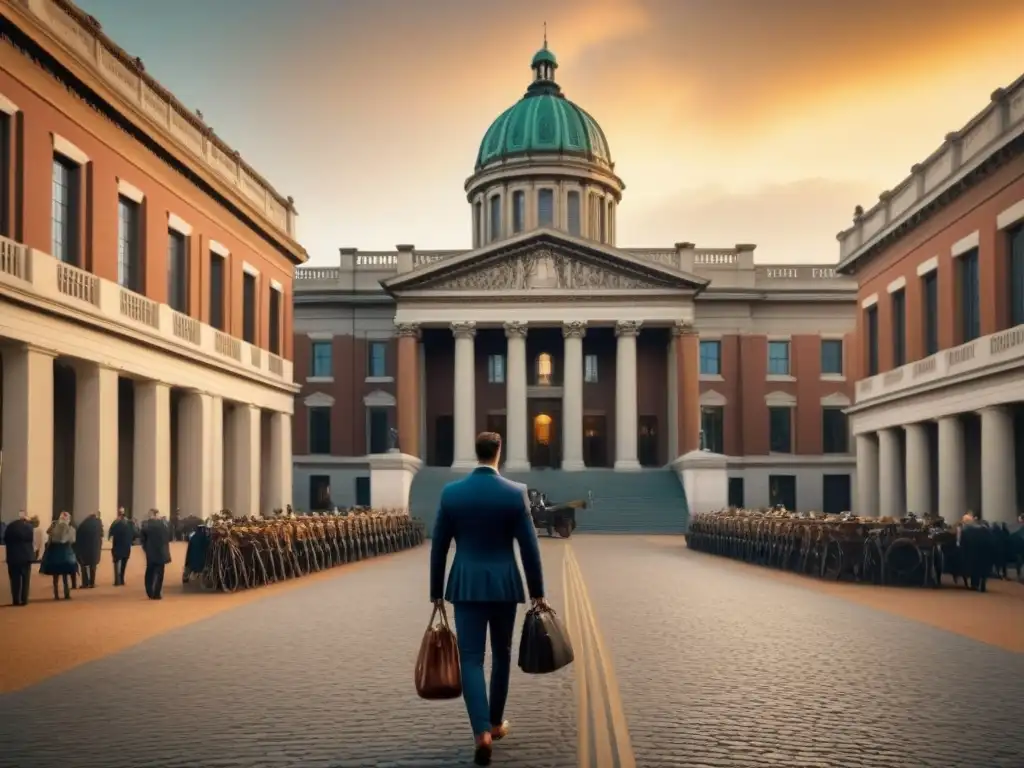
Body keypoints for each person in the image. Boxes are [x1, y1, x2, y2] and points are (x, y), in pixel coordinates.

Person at [429, 431, 545, 767]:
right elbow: (529, 548)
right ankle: (495, 723)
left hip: (465, 585)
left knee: (470, 658)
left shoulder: (452, 494)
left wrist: (436, 592)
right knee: (503, 654)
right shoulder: (515, 493)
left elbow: (438, 548)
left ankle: (480, 732)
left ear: (475, 452)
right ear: (499, 453)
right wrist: (538, 591)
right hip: (505, 585)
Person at [40, 512, 78, 600]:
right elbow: (72, 540)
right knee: (65, 575)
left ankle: (56, 594)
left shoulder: (54, 526)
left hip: (55, 552)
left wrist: (54, 524)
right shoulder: (70, 528)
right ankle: (66, 594)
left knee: (55, 575)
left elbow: (48, 532)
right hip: (65, 552)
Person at [4, 510, 36, 606]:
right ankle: (24, 599)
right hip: (26, 556)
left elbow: (5, 539)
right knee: (26, 579)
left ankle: (15, 599)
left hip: (13, 556)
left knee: (14, 579)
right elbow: (31, 540)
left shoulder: (10, 527)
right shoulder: (29, 527)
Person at [140, 509, 171, 599]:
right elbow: (168, 536)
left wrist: (146, 549)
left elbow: (142, 540)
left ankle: (150, 591)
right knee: (160, 574)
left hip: (151, 552)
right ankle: (157, 593)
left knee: (150, 572)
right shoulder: (164, 525)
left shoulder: (146, 525)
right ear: (156, 514)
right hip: (162, 552)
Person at [74, 512, 104, 588]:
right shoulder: (98, 524)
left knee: (83, 566)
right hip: (94, 548)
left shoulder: (84, 524)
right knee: (93, 566)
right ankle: (92, 583)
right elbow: (101, 534)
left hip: (84, 548)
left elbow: (78, 535)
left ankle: (85, 583)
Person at [108, 507, 134, 586]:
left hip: (117, 546)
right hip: (126, 546)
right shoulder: (130, 523)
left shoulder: (115, 523)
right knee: (123, 564)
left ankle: (117, 581)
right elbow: (135, 533)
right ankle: (122, 579)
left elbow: (111, 533)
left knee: (116, 564)